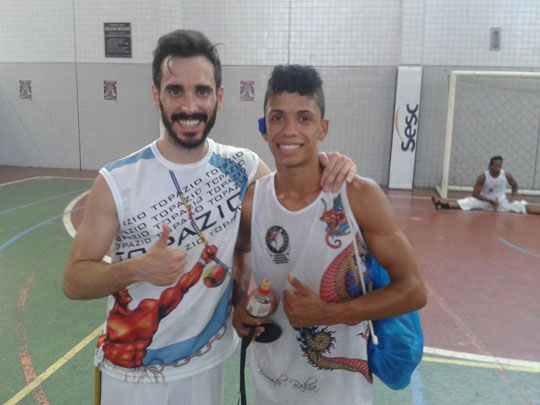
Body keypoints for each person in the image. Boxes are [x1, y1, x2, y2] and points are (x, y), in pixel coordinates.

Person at [62, 30, 357, 405]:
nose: (189, 106)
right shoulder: (118, 180)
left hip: (206, 366)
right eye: (175, 91)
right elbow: (74, 281)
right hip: (129, 374)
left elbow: (295, 191)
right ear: (156, 96)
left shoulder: (242, 167)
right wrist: (136, 270)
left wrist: (337, 164)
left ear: (218, 97)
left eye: (201, 91)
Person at [232, 65, 427, 405]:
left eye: (304, 118)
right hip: (267, 385)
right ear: (264, 128)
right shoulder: (252, 202)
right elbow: (240, 252)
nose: (289, 130)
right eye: (277, 118)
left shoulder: (358, 196)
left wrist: (328, 314)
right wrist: (239, 307)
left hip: (340, 394)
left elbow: (413, 291)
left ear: (323, 128)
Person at [431, 156, 540, 214]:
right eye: (496, 166)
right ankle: (442, 204)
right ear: (491, 166)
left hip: (501, 201)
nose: (498, 168)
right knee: (469, 201)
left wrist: (513, 196)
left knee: (521, 206)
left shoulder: (506, 175)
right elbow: (475, 194)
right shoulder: (483, 177)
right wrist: (490, 201)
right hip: (485, 201)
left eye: (500, 166)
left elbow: (515, 185)